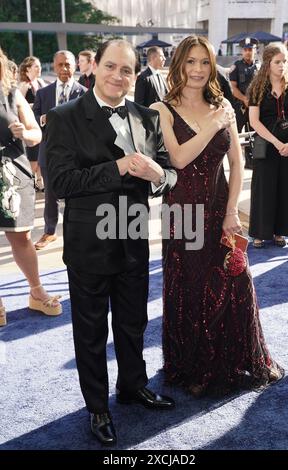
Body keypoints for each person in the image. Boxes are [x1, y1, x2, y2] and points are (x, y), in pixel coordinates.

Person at [45, 39, 177, 446]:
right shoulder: (63, 117)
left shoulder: (147, 118)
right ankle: (97, 407)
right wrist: (117, 167)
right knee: (90, 331)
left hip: (134, 236)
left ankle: (132, 386)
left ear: (135, 76)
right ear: (96, 67)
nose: (118, 76)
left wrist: (158, 175)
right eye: (111, 67)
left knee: (133, 320)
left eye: (126, 70)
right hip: (89, 244)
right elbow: (61, 183)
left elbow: (169, 176)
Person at [151, 35, 284, 398]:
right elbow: (178, 159)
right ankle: (193, 364)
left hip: (219, 208)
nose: (197, 70)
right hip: (182, 212)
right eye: (190, 62)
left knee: (234, 281)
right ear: (178, 65)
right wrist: (213, 124)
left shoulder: (223, 104)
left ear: (212, 66)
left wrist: (230, 211)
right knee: (190, 288)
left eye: (205, 63)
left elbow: (237, 164)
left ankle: (229, 358)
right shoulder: (161, 109)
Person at [0, 47, 62, 327]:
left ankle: (36, 292)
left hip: (12, 173)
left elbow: (37, 133)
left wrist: (24, 133)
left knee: (21, 237)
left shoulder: (12, 94)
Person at [247, 44, 288, 248]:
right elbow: (254, 121)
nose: (282, 65)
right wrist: (277, 143)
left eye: (285, 61)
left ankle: (280, 232)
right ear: (268, 63)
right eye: (277, 62)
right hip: (266, 145)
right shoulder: (257, 88)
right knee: (264, 188)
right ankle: (259, 233)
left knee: (286, 187)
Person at [33, 50, 86, 250]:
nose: (64, 69)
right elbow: (34, 116)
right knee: (50, 196)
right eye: (60, 65)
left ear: (75, 66)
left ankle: (78, 232)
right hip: (49, 152)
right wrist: (42, 119)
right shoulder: (43, 93)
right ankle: (50, 232)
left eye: (68, 64)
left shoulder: (84, 93)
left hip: (75, 154)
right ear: (54, 67)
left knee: (76, 194)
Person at [229, 37, 259, 169]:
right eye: (246, 50)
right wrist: (244, 99)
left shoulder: (260, 66)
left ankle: (254, 161)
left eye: (250, 49)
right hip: (240, 106)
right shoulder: (236, 66)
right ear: (242, 51)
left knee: (256, 134)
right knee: (235, 134)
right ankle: (235, 161)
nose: (248, 52)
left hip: (256, 107)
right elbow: (232, 88)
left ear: (255, 50)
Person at [19, 56, 47, 188]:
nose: (39, 68)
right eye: (36, 66)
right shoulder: (24, 85)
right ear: (28, 69)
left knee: (42, 155)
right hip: (29, 126)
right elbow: (18, 105)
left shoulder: (41, 82)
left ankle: (40, 182)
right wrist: (31, 106)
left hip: (41, 124)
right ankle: (29, 183)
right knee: (33, 158)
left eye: (40, 66)